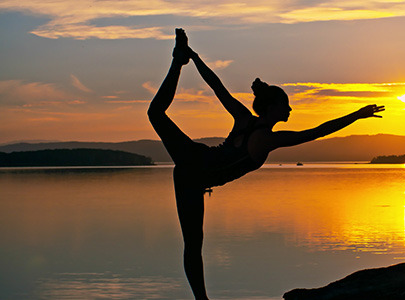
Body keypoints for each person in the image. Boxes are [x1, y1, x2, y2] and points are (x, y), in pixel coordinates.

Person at [147, 28, 385, 299]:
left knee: (193, 244)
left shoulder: (244, 118)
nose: (290, 110)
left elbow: (217, 87)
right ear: (272, 108)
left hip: (193, 169)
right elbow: (318, 131)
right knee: (192, 245)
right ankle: (179, 60)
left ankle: (179, 60)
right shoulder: (266, 140)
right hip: (195, 167)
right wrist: (357, 115)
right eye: (286, 105)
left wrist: (195, 56)